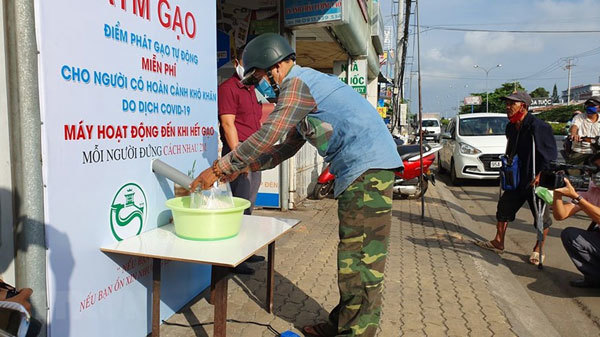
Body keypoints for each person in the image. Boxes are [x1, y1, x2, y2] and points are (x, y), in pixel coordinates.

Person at [191, 33, 403, 337]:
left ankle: (356, 332)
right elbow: (286, 147)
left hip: (367, 170)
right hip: (361, 171)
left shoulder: (296, 85)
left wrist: (221, 167)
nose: (260, 88)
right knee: (352, 258)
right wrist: (248, 166)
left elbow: (268, 135)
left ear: (274, 67)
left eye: (259, 78)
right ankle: (340, 324)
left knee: (360, 263)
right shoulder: (304, 91)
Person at [475, 91, 557, 265]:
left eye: (512, 104)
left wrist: (541, 174)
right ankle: (498, 241)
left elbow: (550, 156)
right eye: (507, 103)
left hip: (535, 178)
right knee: (503, 208)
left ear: (523, 106)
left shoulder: (538, 126)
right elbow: (510, 148)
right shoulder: (511, 127)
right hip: (516, 178)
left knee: (541, 217)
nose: (508, 107)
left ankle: (537, 250)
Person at [218, 46, 267, 275]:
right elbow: (228, 125)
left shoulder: (251, 89)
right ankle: (233, 258)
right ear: (237, 60)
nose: (255, 71)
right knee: (239, 205)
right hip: (239, 158)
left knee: (249, 203)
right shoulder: (228, 88)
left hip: (254, 156)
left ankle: (245, 251)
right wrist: (239, 160)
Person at [553, 153, 600, 288]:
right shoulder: (592, 188)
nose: (597, 174)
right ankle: (595, 278)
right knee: (570, 235)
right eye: (595, 169)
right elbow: (561, 215)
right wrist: (558, 194)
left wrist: (577, 197)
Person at [567, 97, 600, 167]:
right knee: (573, 174)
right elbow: (574, 126)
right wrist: (574, 134)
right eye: (588, 106)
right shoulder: (579, 117)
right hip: (580, 150)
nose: (590, 108)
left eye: (592, 106)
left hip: (596, 151)